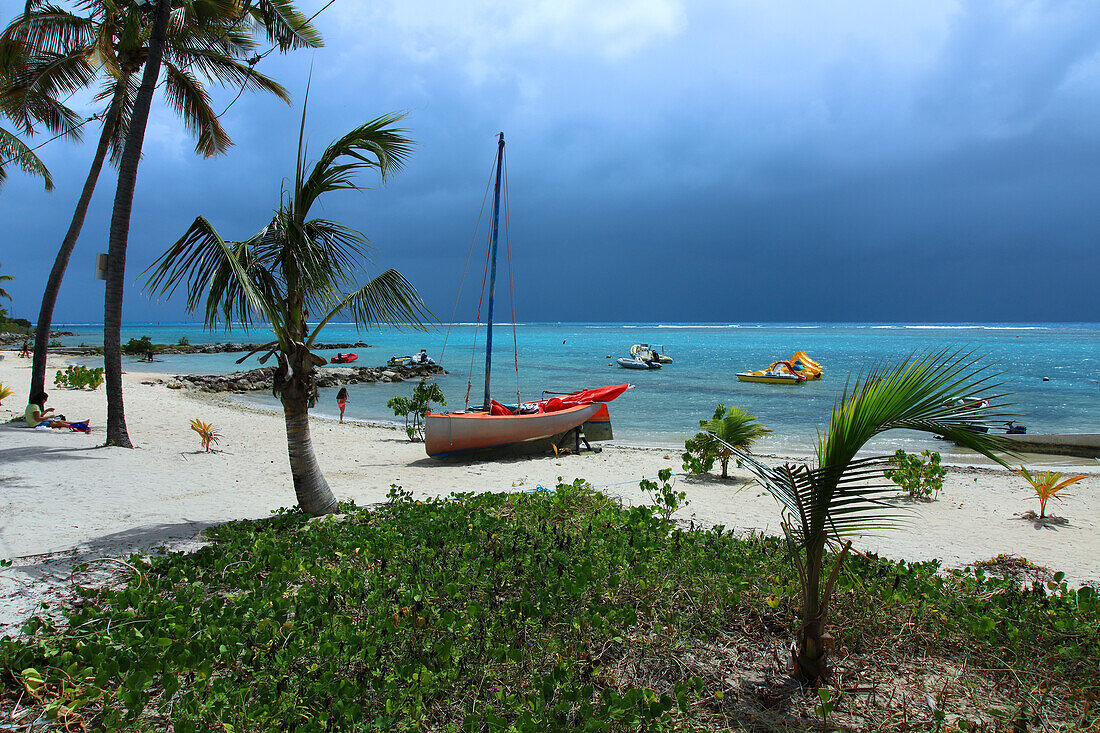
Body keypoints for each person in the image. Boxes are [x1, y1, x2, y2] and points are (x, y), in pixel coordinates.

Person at [24, 391, 89, 431]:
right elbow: (38, 419)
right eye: (45, 399)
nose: (45, 401)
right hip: (35, 424)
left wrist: (48, 410)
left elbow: (38, 415)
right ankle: (78, 426)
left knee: (59, 421)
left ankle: (81, 423)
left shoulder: (31, 405)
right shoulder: (35, 407)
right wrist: (49, 416)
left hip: (33, 423)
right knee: (59, 423)